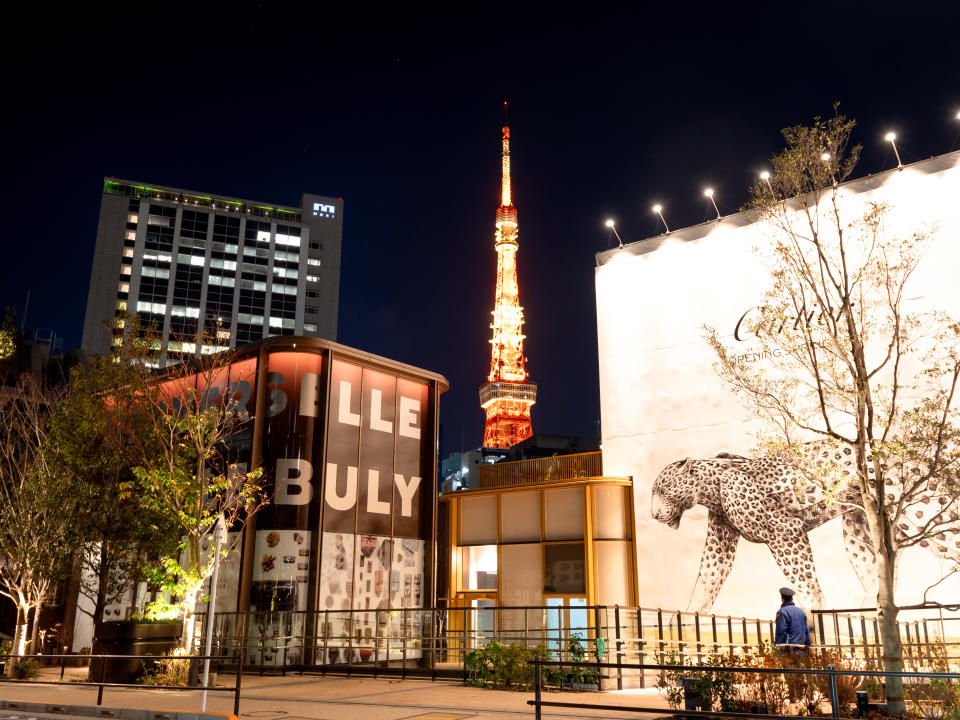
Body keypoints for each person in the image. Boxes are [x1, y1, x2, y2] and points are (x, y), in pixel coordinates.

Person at [775, 586, 811, 655]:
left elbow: (781, 632)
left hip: (789, 652)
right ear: (792, 598)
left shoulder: (782, 612)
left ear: (782, 599)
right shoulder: (801, 612)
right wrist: (808, 646)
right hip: (801, 650)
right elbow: (806, 630)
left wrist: (779, 650)